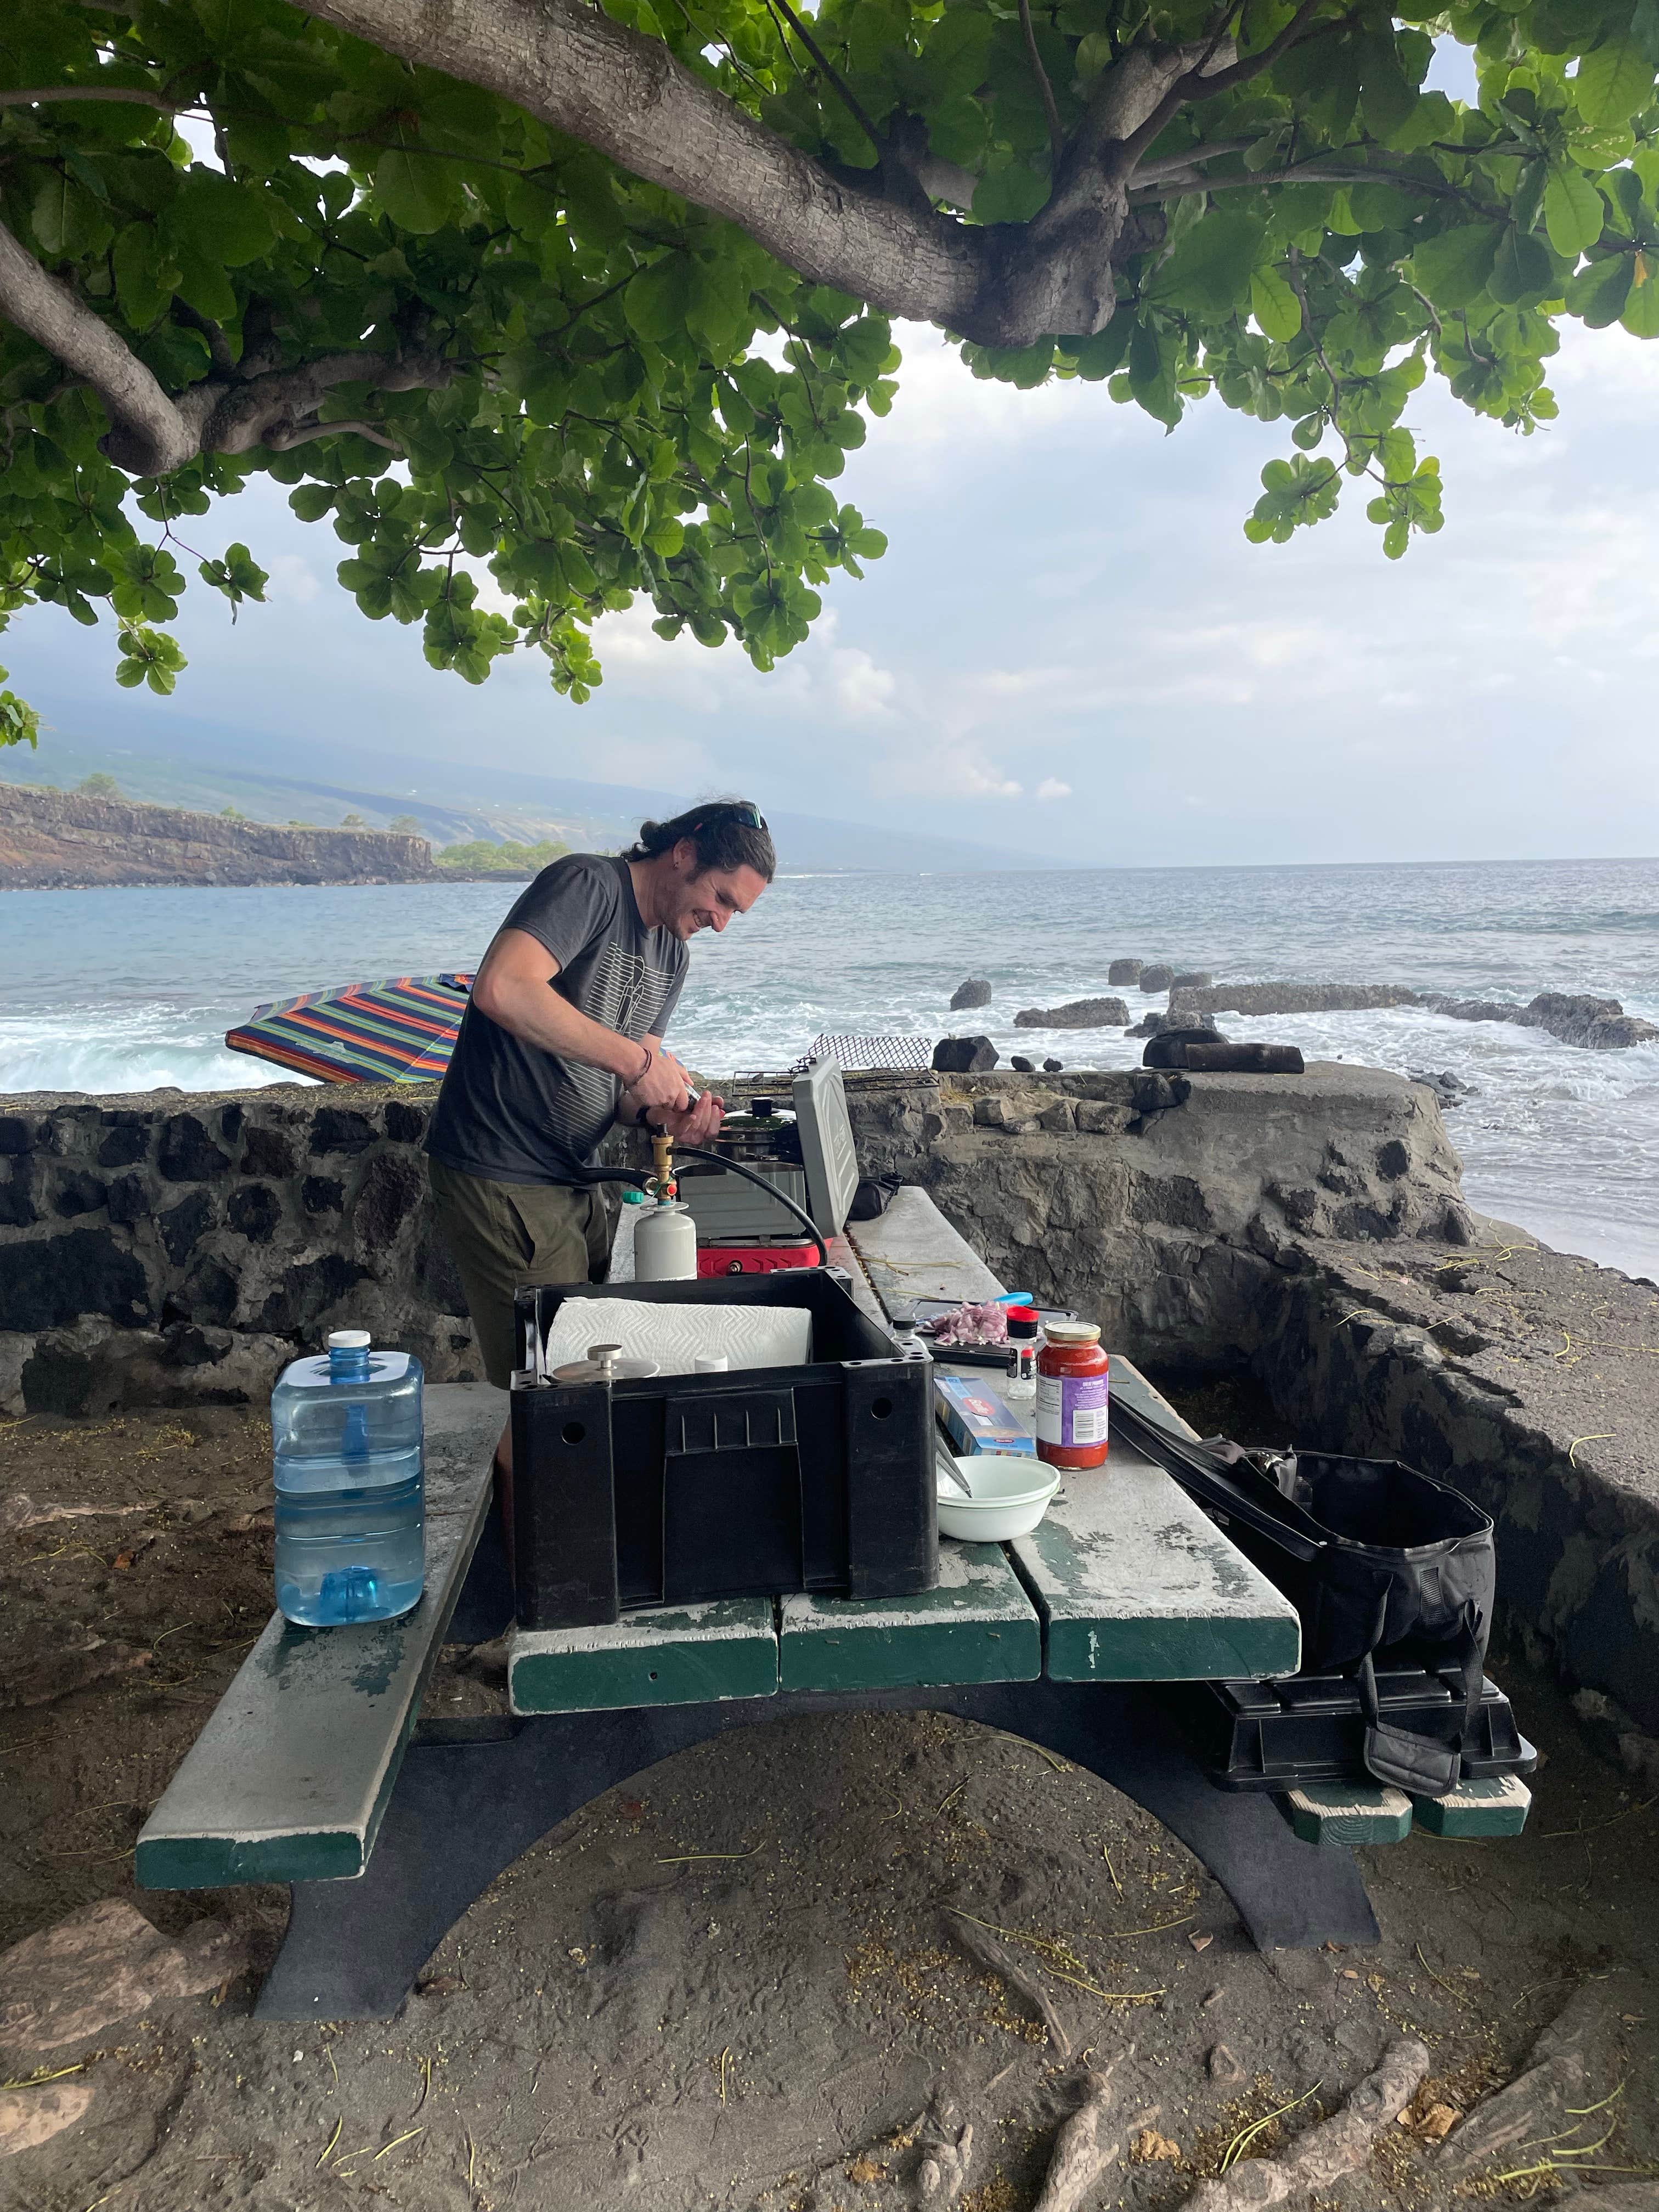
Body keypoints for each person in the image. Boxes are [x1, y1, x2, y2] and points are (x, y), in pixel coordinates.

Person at [425, 799, 775, 1510]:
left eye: (736, 911)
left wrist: (666, 1117)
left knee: (582, 1383)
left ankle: (563, 1555)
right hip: (503, 1174)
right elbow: (503, 987)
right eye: (720, 898)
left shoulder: (670, 955)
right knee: (552, 1401)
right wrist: (635, 1057)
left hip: (575, 1183)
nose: (722, 922)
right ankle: (533, 1583)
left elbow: (620, 1089)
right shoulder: (586, 885)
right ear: (683, 852)